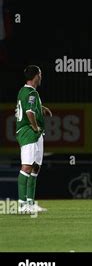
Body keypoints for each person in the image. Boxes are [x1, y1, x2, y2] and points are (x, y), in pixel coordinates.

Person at [15, 65, 51, 213]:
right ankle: (22, 205)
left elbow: (30, 107)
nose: (41, 77)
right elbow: (29, 112)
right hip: (28, 132)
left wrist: (42, 108)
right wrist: (35, 128)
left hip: (35, 134)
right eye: (40, 74)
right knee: (27, 166)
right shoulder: (29, 92)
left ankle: (30, 203)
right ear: (36, 75)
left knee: (35, 166)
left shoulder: (28, 92)